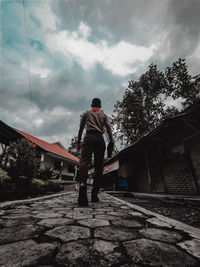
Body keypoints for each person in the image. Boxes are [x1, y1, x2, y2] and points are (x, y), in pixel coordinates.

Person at [77, 98, 114, 206]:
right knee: (99, 166)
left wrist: (79, 141)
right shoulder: (104, 115)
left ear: (91, 105)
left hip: (88, 137)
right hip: (99, 139)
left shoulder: (86, 114)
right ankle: (94, 195)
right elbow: (108, 128)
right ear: (100, 106)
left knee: (84, 162)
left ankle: (83, 189)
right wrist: (111, 141)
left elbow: (81, 128)